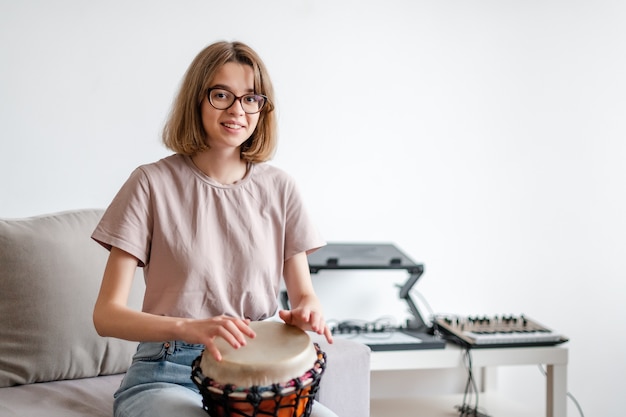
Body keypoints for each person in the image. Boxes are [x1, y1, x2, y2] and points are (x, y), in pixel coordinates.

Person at [91, 40, 336, 417]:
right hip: (167, 370)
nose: (237, 110)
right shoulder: (150, 183)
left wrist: (307, 313)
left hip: (257, 374)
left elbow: (306, 296)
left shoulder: (280, 188)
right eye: (222, 95)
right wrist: (189, 328)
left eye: (251, 98)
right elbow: (106, 315)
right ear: (198, 99)